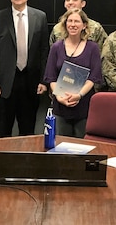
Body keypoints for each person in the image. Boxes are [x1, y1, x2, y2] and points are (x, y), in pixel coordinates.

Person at [0, 0, 49, 138]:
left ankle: (25, 162)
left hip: (31, 83)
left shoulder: (40, 16)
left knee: (27, 131)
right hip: (4, 85)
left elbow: (44, 51)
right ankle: (1, 163)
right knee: (2, 130)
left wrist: (43, 80)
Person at [44, 9, 103, 138]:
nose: (73, 24)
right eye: (69, 21)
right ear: (65, 24)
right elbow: (51, 77)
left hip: (84, 106)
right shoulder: (56, 47)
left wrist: (79, 95)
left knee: (82, 147)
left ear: (84, 25)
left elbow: (94, 77)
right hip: (61, 105)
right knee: (61, 147)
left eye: (77, 21)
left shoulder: (92, 48)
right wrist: (59, 98)